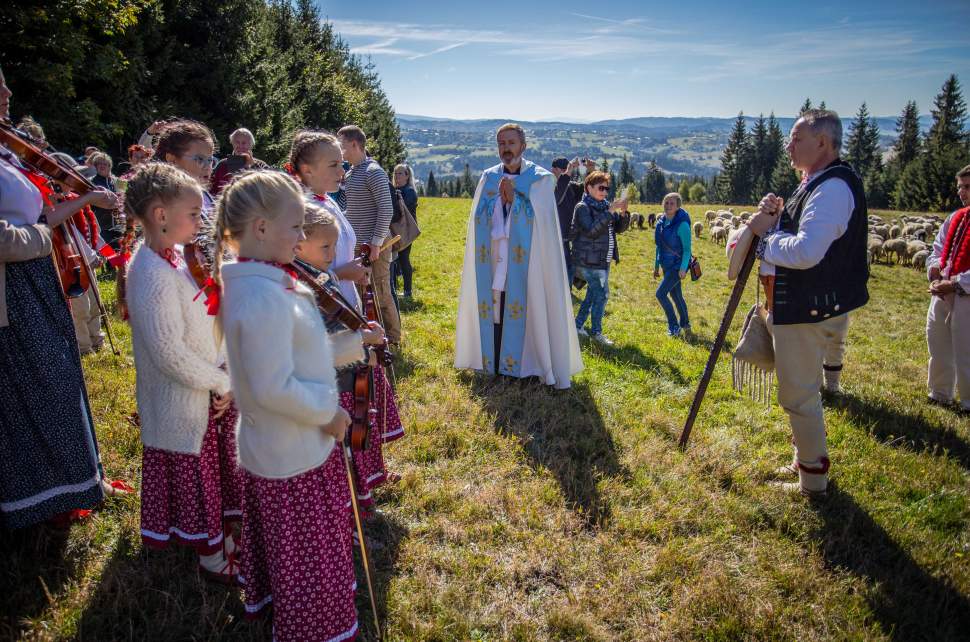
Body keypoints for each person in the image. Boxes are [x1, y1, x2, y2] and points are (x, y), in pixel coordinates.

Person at [216, 171, 357, 641]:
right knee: (306, 556)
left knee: (297, 550)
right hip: (291, 450)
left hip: (290, 444)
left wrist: (353, 345)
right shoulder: (259, 296)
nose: (301, 238)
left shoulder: (266, 283)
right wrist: (330, 412)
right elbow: (273, 387)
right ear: (260, 228)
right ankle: (312, 628)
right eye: (295, 227)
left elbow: (297, 354)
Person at [0, 65, 127, 529]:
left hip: (36, 277)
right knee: (38, 388)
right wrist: (47, 227)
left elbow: (41, 208)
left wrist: (71, 205)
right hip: (14, 286)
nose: (9, 92)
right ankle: (45, 496)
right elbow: (6, 238)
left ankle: (79, 481)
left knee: (60, 380)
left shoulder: (8, 150)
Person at [124, 162, 242, 583]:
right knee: (198, 478)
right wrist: (221, 381)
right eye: (193, 213)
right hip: (181, 404)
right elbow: (168, 354)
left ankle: (221, 538)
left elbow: (204, 320)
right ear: (160, 215)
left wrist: (223, 366)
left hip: (205, 390)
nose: (201, 220)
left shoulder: (176, 257)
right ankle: (211, 555)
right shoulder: (150, 273)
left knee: (214, 476)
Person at [747, 109, 870, 496]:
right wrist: (780, 215)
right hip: (804, 304)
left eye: (797, 138)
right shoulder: (817, 183)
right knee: (800, 393)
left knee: (799, 395)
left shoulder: (832, 188)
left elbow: (807, 251)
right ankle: (805, 462)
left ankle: (813, 480)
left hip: (808, 308)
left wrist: (765, 242)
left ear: (823, 142)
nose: (788, 145)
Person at [455, 123, 582, 389]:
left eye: (511, 143)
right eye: (501, 143)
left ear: (523, 146)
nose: (506, 148)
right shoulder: (488, 178)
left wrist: (515, 199)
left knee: (527, 307)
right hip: (494, 259)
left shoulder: (540, 179)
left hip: (529, 264)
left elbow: (543, 222)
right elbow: (479, 218)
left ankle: (531, 365)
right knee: (496, 309)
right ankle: (496, 363)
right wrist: (499, 203)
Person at [295, 203, 403, 511]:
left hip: (343, 369)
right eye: (326, 247)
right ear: (298, 244)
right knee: (341, 454)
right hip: (330, 382)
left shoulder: (320, 277)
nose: (331, 254)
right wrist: (360, 341)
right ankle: (354, 504)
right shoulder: (304, 285)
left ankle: (365, 490)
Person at [337, 125, 400, 347]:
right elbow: (354, 210)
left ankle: (392, 340)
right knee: (364, 294)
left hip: (376, 247)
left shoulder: (374, 171)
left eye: (342, 146)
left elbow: (386, 209)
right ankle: (372, 337)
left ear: (355, 144)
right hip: (358, 246)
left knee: (381, 293)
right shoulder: (352, 173)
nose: (340, 151)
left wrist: (375, 243)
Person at [925, 164, 970, 413]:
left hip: (966, 294)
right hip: (943, 290)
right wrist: (934, 270)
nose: (962, 193)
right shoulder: (957, 217)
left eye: (968, 187)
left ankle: (968, 401)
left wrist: (956, 283)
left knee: (967, 347)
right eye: (960, 187)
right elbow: (938, 249)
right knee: (938, 341)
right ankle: (940, 392)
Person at [571, 170, 630, 345]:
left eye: (607, 188)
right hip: (588, 260)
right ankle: (596, 332)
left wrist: (624, 214)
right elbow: (591, 232)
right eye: (601, 187)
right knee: (602, 295)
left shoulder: (605, 206)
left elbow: (618, 229)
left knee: (593, 294)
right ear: (589, 187)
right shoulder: (582, 207)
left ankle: (578, 325)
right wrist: (610, 211)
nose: (604, 192)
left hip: (603, 260)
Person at [151, 119, 218, 218]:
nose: (208, 167)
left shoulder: (206, 196)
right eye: (200, 159)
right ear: (172, 160)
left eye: (210, 160)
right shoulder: (163, 201)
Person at [653, 192, 692, 337]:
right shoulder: (660, 223)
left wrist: (683, 268)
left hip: (677, 266)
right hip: (665, 265)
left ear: (678, 206)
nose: (668, 205)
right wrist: (656, 266)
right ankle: (685, 323)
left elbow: (687, 250)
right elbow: (659, 246)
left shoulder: (682, 225)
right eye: (666, 202)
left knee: (660, 294)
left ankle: (674, 326)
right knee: (676, 295)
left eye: (672, 203)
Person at [551, 157, 583, 284]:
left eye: (567, 169)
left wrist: (591, 171)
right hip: (555, 237)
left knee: (569, 268)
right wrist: (568, 172)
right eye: (563, 170)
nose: (566, 172)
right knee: (560, 269)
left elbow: (590, 191)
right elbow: (556, 199)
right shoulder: (548, 185)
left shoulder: (572, 186)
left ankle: (567, 295)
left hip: (570, 235)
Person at [210, 127, 267, 195]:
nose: (240, 146)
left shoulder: (261, 165)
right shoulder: (223, 164)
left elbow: (267, 185)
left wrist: (253, 166)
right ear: (232, 143)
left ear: (251, 145)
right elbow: (211, 189)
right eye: (237, 142)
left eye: (244, 143)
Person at [390, 163, 418, 298]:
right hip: (395, 231)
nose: (397, 176)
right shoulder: (395, 190)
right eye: (395, 173)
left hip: (406, 232)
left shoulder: (409, 192)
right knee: (394, 261)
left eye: (400, 173)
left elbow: (401, 211)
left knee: (403, 259)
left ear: (407, 176)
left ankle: (407, 291)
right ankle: (393, 290)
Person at [87, 151, 120, 249]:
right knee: (107, 255)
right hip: (103, 227)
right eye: (99, 164)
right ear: (95, 166)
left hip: (120, 226)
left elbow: (128, 198)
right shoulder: (91, 182)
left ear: (110, 166)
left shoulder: (119, 181)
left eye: (104, 164)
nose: (102, 166)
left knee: (122, 254)